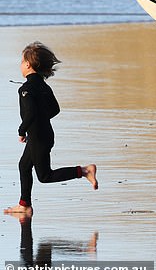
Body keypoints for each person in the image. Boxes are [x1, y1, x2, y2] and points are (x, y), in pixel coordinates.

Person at [4, 42, 98, 215]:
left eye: (22, 61)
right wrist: (38, 121)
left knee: (45, 176)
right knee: (24, 166)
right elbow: (55, 109)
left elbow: (31, 113)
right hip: (44, 134)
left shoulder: (25, 89)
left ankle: (84, 171)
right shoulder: (44, 87)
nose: (20, 65)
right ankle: (24, 205)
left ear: (27, 64)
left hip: (37, 137)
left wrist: (22, 130)